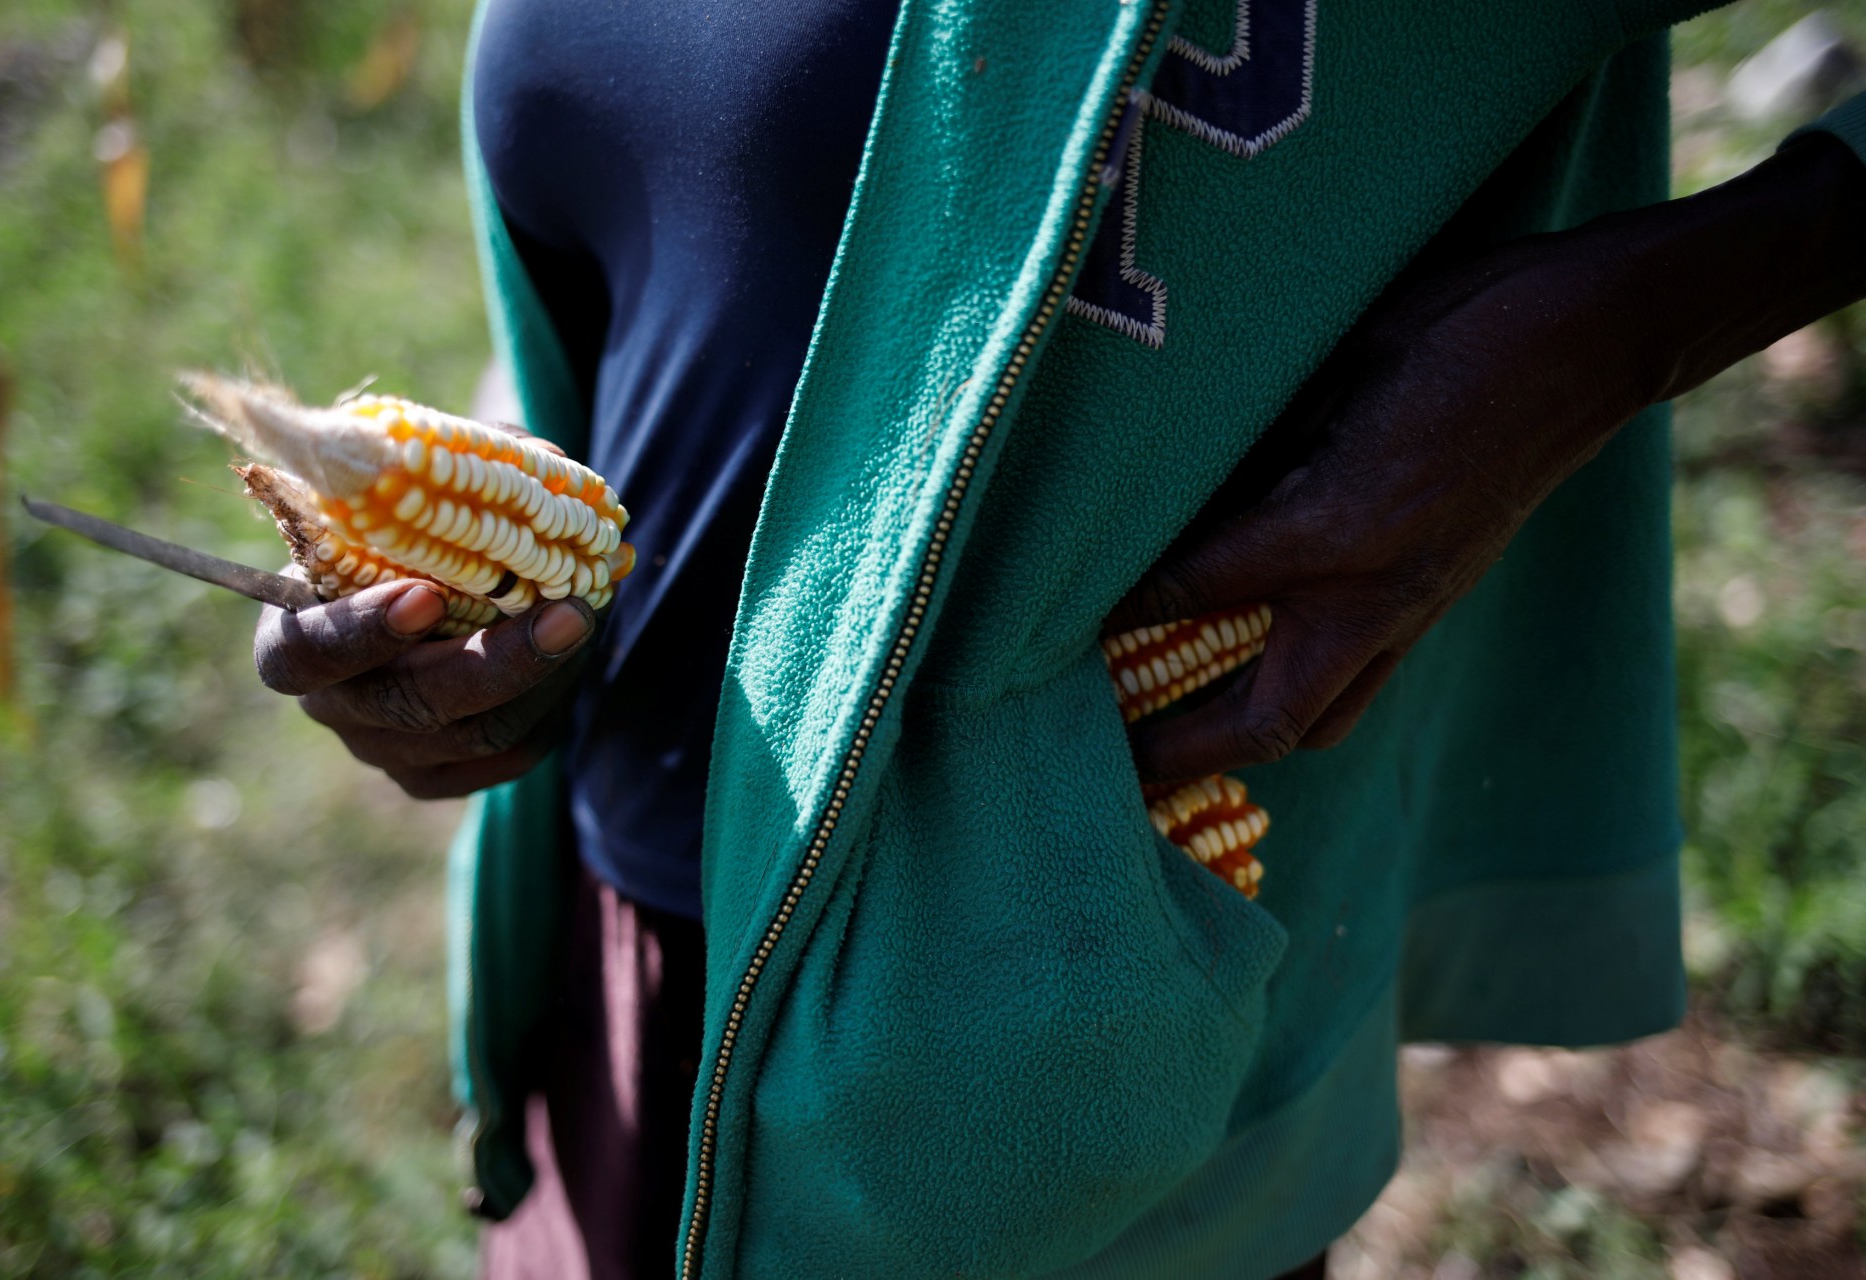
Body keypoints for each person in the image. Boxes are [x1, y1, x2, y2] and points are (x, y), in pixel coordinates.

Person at [250, 0, 1866, 1276]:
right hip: (616, 986)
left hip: (1046, 1035)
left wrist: (1621, 333)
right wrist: (474, 599)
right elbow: (668, 246)